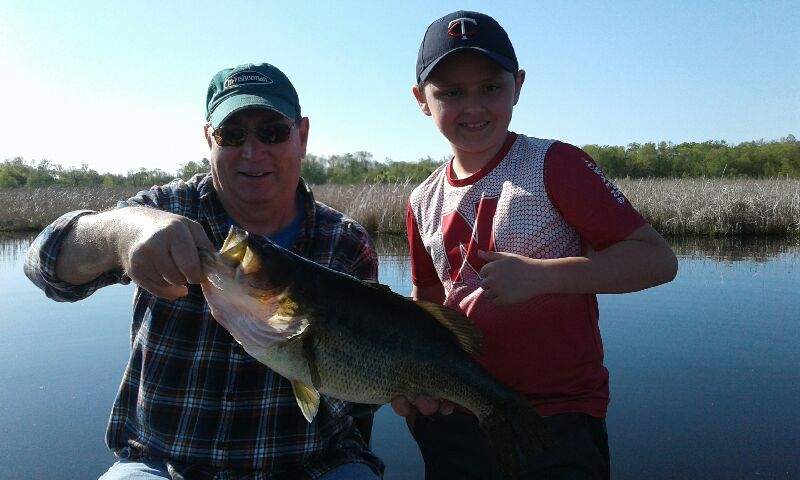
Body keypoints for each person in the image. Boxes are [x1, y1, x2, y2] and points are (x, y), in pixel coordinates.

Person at [24, 63, 383, 480]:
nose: (253, 152)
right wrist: (121, 234)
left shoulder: (345, 242)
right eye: (232, 135)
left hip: (314, 465)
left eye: (271, 132)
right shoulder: (164, 210)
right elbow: (44, 266)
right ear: (208, 139)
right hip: (164, 466)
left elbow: (367, 392)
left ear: (301, 136)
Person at [391, 11, 678, 480]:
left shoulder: (555, 164)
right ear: (421, 100)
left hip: (557, 419)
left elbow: (656, 260)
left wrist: (544, 277)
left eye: (491, 87)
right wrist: (407, 378)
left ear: (518, 86)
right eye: (450, 93)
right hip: (455, 415)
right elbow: (427, 306)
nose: (474, 107)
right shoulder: (421, 200)